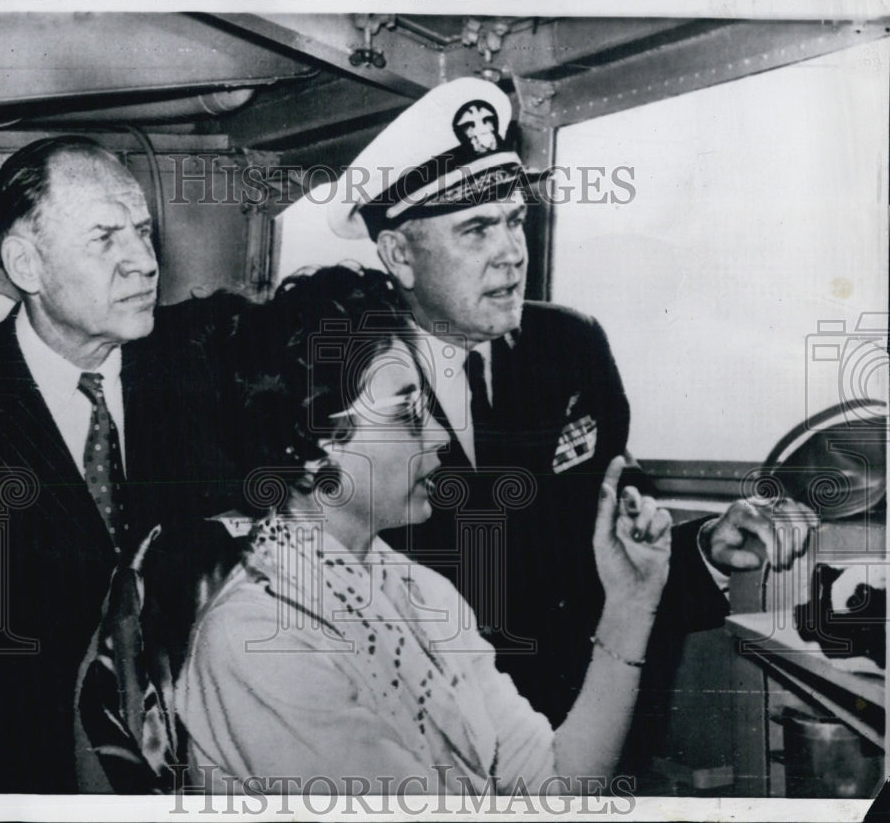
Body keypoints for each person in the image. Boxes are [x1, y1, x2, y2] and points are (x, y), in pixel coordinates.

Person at [288, 78, 818, 739]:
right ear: (399, 254)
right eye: (477, 229)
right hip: (426, 740)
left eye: (514, 221)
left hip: (582, 725)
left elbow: (600, 555)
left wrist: (707, 547)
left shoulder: (570, 347)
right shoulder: (345, 381)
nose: (511, 253)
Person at [176, 265, 674, 794]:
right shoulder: (259, 640)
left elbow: (555, 786)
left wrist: (630, 603)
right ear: (309, 446)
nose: (437, 434)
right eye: (408, 413)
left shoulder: (422, 592)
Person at [0, 136, 246, 792]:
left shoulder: (207, 379)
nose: (145, 263)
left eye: (143, 233)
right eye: (105, 239)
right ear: (27, 264)